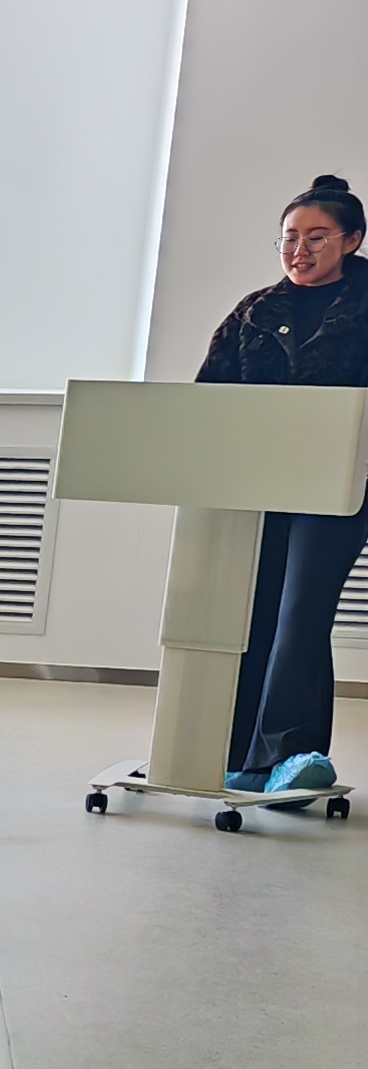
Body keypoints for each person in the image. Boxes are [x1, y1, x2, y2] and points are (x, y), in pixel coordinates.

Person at [198, 170, 368, 795]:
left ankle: (291, 755)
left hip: (339, 485)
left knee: (301, 612)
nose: (300, 249)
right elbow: (209, 394)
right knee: (256, 610)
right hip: (258, 481)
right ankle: (239, 752)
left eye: (317, 237)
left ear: (351, 240)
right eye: (290, 237)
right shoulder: (254, 312)